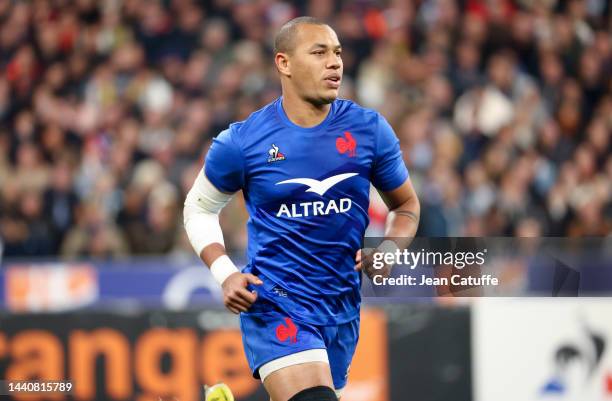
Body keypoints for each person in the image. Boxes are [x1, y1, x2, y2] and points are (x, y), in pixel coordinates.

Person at [185, 16, 420, 401]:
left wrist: (390, 248)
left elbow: (406, 205)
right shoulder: (244, 141)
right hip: (275, 302)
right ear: (284, 63)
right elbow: (197, 209)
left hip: (341, 309)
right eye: (319, 52)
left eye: (338, 53)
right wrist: (225, 273)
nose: (335, 63)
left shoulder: (368, 130)